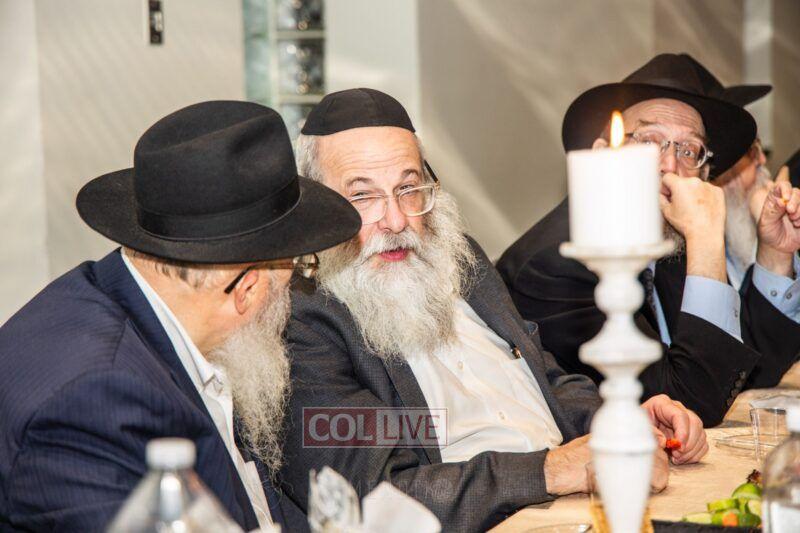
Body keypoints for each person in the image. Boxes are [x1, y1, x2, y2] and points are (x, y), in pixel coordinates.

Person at [279, 88, 707, 532]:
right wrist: (550, 470)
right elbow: (373, 498)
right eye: (362, 197)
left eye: (408, 189)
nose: (397, 220)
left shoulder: (457, 257)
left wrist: (617, 421)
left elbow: (545, 378)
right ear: (316, 207)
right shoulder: (303, 318)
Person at [0, 101, 361, 532]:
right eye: (299, 270)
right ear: (246, 288)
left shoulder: (147, 310)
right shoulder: (96, 402)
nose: (295, 293)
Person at [497, 54, 800, 427]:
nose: (669, 165)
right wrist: (707, 239)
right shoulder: (558, 267)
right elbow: (688, 406)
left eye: (688, 150)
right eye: (650, 141)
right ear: (603, 155)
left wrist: (775, 254)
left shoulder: (665, 242)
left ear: (704, 173)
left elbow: (742, 372)